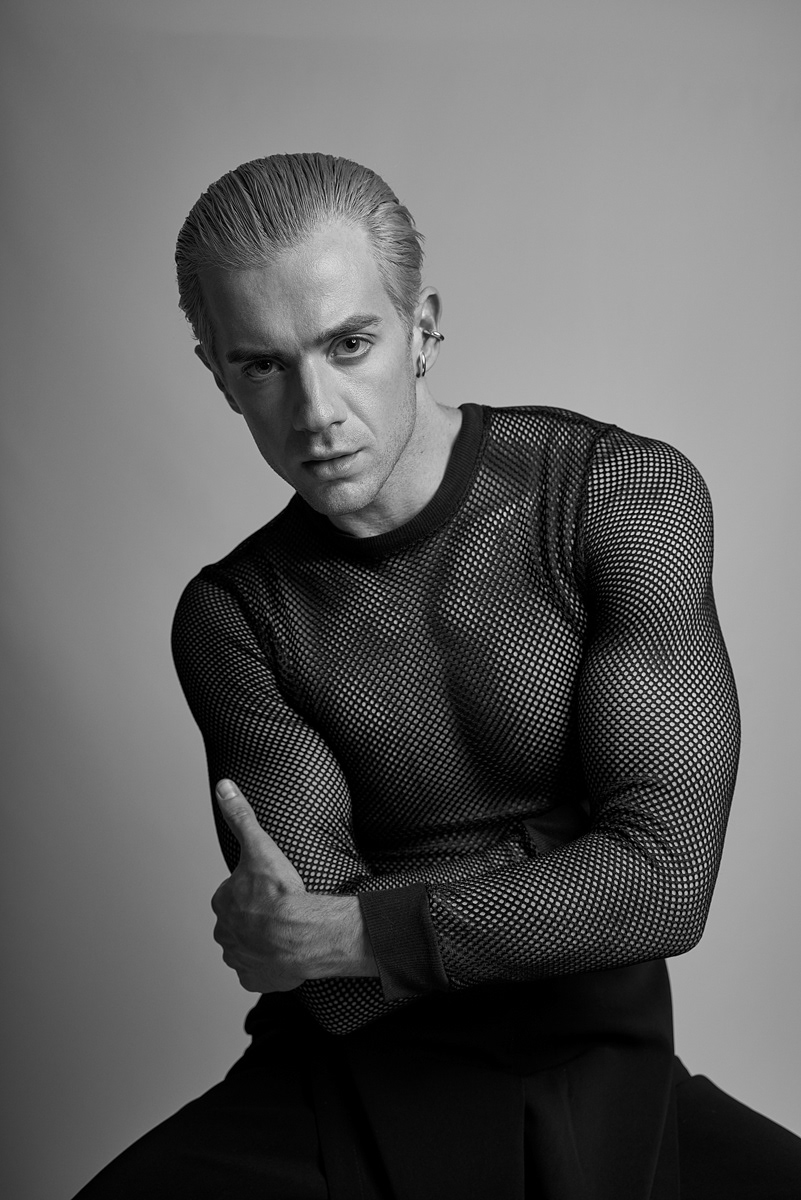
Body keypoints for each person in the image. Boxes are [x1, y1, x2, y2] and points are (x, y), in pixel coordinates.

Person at [74, 153, 801, 1199]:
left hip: (606, 1068)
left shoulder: (614, 497)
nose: (316, 411)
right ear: (218, 376)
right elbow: (329, 989)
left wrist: (355, 927)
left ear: (422, 328)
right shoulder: (235, 615)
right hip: (355, 1085)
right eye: (263, 365)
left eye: (349, 344)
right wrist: (569, 857)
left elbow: (661, 889)